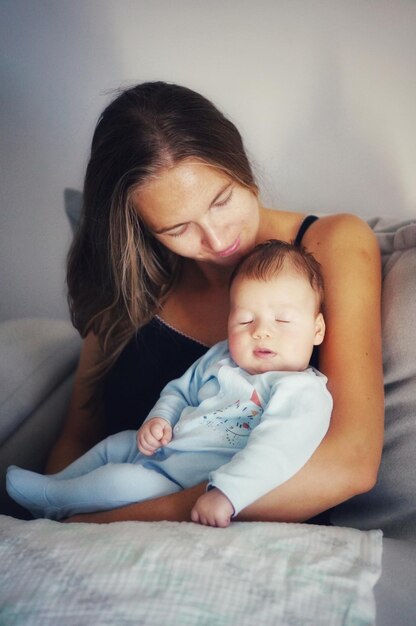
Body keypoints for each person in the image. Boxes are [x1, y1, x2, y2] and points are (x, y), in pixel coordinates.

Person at [42, 81, 383, 524]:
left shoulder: (332, 243)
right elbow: (77, 438)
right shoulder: (130, 279)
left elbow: (350, 463)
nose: (219, 240)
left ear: (240, 164)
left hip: (244, 544)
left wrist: (105, 525)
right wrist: (48, 528)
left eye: (222, 200)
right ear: (142, 228)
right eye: (177, 228)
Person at [7, 241, 332, 527]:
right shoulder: (221, 358)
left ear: (317, 330)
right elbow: (179, 390)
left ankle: (55, 500)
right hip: (162, 447)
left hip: (176, 482)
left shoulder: (299, 390)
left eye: (283, 320)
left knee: (122, 483)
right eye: (245, 319)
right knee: (116, 444)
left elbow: (275, 453)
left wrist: (228, 494)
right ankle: (56, 483)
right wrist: (160, 419)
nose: (261, 331)